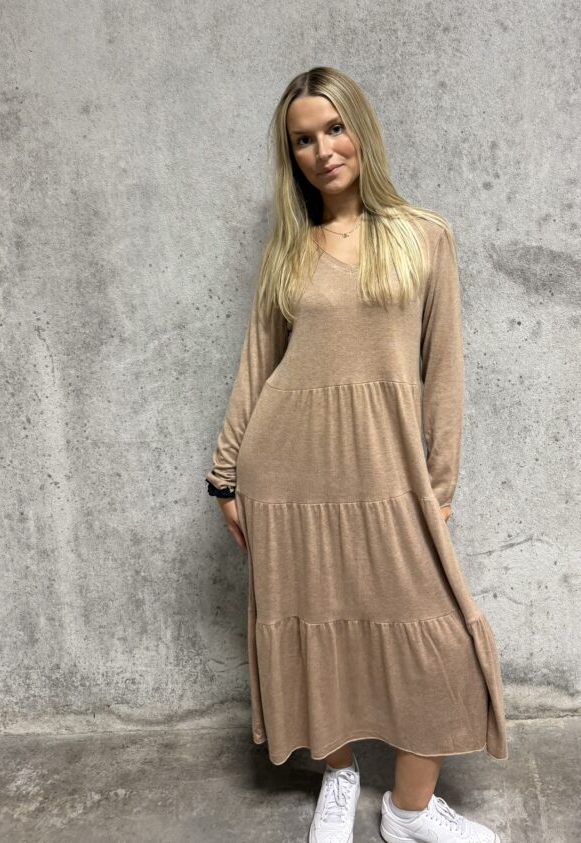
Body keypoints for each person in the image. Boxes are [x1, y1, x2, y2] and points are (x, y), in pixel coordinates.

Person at [205, 66, 508, 843]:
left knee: (440, 643)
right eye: (303, 140)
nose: (323, 150)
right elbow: (257, 363)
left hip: (388, 472)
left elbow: (444, 371)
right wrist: (225, 476)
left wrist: (439, 487)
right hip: (290, 473)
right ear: (292, 156)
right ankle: (338, 775)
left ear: (360, 130)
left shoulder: (424, 236)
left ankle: (409, 810)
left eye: (334, 129)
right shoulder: (289, 249)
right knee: (313, 631)